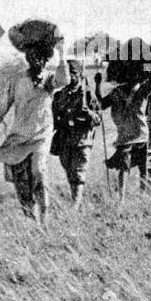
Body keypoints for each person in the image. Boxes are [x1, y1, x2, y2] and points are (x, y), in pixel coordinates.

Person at [0, 43, 70, 223]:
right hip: (19, 136)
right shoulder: (18, 79)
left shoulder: (49, 80)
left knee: (38, 171)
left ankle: (44, 219)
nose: (35, 60)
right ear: (27, 59)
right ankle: (31, 221)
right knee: (21, 180)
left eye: (39, 56)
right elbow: (4, 103)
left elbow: (63, 80)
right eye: (31, 56)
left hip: (41, 134)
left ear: (45, 60)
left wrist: (62, 55)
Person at [49, 60, 101, 206]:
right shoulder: (59, 96)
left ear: (80, 75)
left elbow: (98, 119)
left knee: (78, 173)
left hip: (82, 140)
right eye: (68, 74)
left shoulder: (88, 95)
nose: (70, 77)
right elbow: (53, 119)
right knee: (70, 172)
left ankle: (75, 207)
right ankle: (76, 201)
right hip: (65, 140)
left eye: (73, 74)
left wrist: (89, 114)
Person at [96, 69, 151, 197]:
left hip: (132, 135)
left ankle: (125, 198)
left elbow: (101, 104)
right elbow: (101, 105)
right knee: (138, 167)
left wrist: (98, 84)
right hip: (138, 134)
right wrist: (98, 85)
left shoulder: (120, 91)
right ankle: (138, 196)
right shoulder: (141, 89)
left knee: (126, 167)